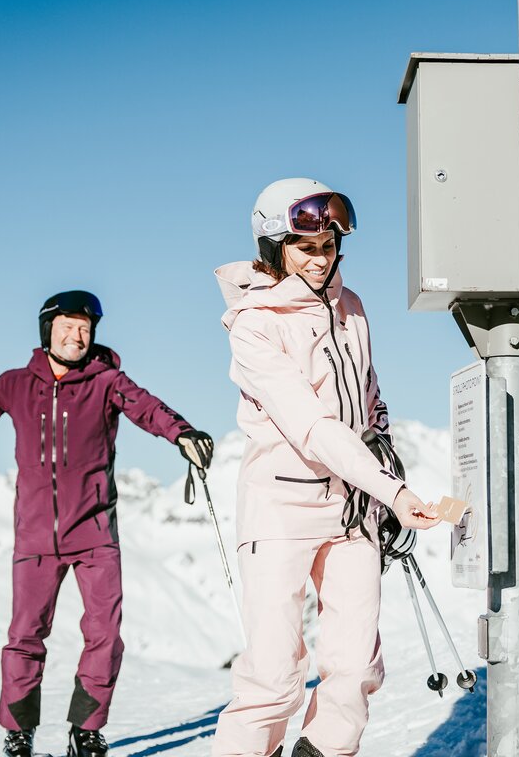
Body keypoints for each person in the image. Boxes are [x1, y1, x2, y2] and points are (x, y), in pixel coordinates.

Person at [213, 178, 439, 757]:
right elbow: (311, 426)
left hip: (353, 502)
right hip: (281, 506)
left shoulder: (351, 307)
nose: (320, 260)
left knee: (356, 666)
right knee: (272, 677)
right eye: (305, 247)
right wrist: (389, 489)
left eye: (329, 246)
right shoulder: (254, 324)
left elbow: (368, 397)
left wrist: (382, 448)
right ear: (274, 247)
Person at [0, 291, 214, 757]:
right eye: (68, 327)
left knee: (104, 634)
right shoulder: (13, 384)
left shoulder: (107, 382)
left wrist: (183, 432)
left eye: (85, 328)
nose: (77, 336)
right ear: (47, 331)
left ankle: (86, 730)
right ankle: (18, 734)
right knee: (24, 638)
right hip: (35, 538)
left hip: (95, 534)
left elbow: (147, 408)